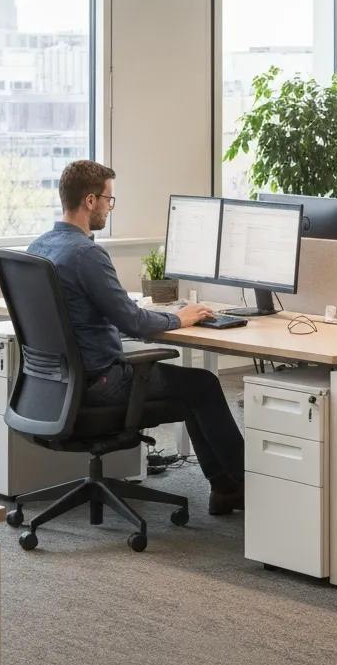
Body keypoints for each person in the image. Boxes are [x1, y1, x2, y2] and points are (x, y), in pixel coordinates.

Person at [28, 160, 245, 516]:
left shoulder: (39, 247)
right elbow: (134, 323)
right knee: (202, 385)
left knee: (192, 388)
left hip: (56, 384)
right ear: (90, 201)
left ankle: (225, 487)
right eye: (108, 200)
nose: (109, 208)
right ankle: (239, 486)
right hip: (102, 383)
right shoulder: (86, 254)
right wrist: (179, 317)